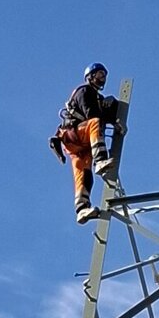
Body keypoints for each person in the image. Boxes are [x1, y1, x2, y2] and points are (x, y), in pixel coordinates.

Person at [49, 64, 125, 224]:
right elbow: (91, 114)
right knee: (94, 123)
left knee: (83, 174)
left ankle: (82, 208)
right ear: (90, 76)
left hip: (78, 145)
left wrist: (113, 113)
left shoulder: (97, 98)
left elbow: (103, 111)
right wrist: (110, 117)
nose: (103, 77)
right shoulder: (84, 91)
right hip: (74, 135)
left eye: (104, 74)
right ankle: (100, 160)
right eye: (99, 73)